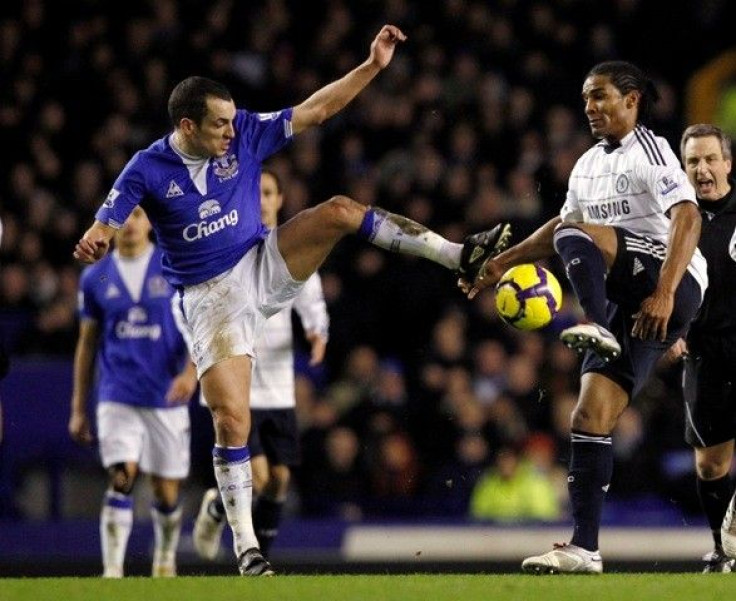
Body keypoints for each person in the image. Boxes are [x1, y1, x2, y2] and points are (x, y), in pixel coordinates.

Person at [73, 25, 511, 576]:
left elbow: (316, 110)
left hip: (260, 263)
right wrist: (95, 241)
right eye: (218, 125)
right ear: (186, 126)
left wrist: (372, 67)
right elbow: (105, 225)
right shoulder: (147, 166)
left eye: (233, 120)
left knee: (339, 211)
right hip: (209, 299)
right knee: (231, 421)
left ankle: (458, 256)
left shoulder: (246, 134)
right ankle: (247, 549)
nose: (232, 132)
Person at [460, 60, 707, 574]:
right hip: (629, 296)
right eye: (586, 98)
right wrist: (501, 263)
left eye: (601, 96)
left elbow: (688, 215)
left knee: (577, 233)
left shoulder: (652, 149)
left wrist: (665, 294)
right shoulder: (586, 165)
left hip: (672, 281)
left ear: (632, 100)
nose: (591, 107)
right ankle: (585, 547)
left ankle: (592, 320)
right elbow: (561, 226)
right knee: (589, 417)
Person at [190, 168, 329, 560]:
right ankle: (249, 551)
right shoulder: (231, 243)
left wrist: (318, 331)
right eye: (256, 193)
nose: (263, 200)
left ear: (280, 199)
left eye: (269, 193)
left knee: (280, 480)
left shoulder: (289, 248)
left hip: (278, 384)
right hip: (239, 378)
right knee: (261, 474)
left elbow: (310, 296)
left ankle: (225, 514)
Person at [68, 207, 197, 578]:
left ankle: (165, 559)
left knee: (166, 492)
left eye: (138, 215)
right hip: (117, 393)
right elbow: (86, 345)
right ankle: (112, 573)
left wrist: (191, 373)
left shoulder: (174, 265)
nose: (129, 224)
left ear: (150, 221)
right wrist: (78, 407)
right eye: (122, 217)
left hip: (166, 395)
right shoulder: (95, 277)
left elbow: (198, 323)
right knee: (121, 479)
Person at [667, 124, 736, 572]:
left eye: (710, 159)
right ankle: (721, 548)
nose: (703, 169)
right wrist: (670, 331)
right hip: (704, 353)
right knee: (711, 466)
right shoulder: (671, 218)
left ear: (728, 163)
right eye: (693, 161)